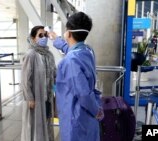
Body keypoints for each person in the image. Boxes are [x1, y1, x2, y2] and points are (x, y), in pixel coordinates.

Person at [48, 12, 104, 141]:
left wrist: (97, 111)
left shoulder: (70, 61)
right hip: (85, 116)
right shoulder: (87, 51)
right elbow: (71, 49)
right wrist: (57, 41)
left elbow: (83, 95)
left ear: (69, 33)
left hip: (76, 116)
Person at [21, 26, 56, 141]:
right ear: (33, 38)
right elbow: (25, 79)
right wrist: (30, 98)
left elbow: (54, 74)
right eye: (40, 35)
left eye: (45, 35)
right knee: (35, 127)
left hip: (47, 98)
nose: (44, 37)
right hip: (35, 99)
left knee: (45, 124)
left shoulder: (49, 55)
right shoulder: (31, 54)